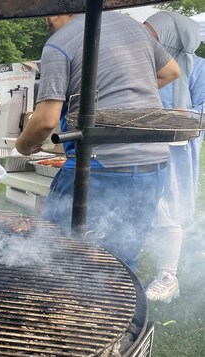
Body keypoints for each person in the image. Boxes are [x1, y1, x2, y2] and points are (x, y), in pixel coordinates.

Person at [15, 11, 180, 271]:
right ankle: (120, 308)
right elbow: (172, 71)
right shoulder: (133, 25)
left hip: (99, 167)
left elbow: (46, 120)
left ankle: (61, 306)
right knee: (121, 261)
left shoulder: (59, 43)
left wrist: (22, 146)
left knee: (56, 254)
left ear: (57, 10)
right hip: (154, 163)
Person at [142, 11, 205, 302]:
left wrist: (185, 115)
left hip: (176, 149)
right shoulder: (144, 65)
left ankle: (169, 275)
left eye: (155, 37)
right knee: (143, 205)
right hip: (141, 145)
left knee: (167, 207)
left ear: (172, 38)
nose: (149, 42)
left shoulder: (200, 68)